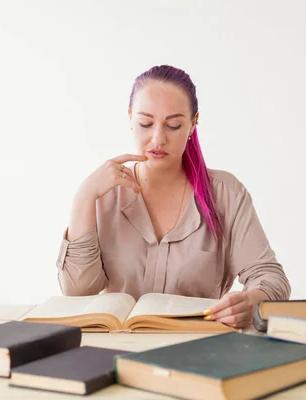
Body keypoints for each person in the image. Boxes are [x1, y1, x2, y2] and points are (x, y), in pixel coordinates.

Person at [56, 65, 290, 328]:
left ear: (193, 124)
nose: (158, 138)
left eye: (174, 125)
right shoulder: (103, 194)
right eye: (145, 123)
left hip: (193, 348)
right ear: (130, 117)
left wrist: (252, 300)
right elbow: (77, 293)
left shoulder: (226, 193)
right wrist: (83, 198)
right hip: (113, 345)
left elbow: (270, 277)